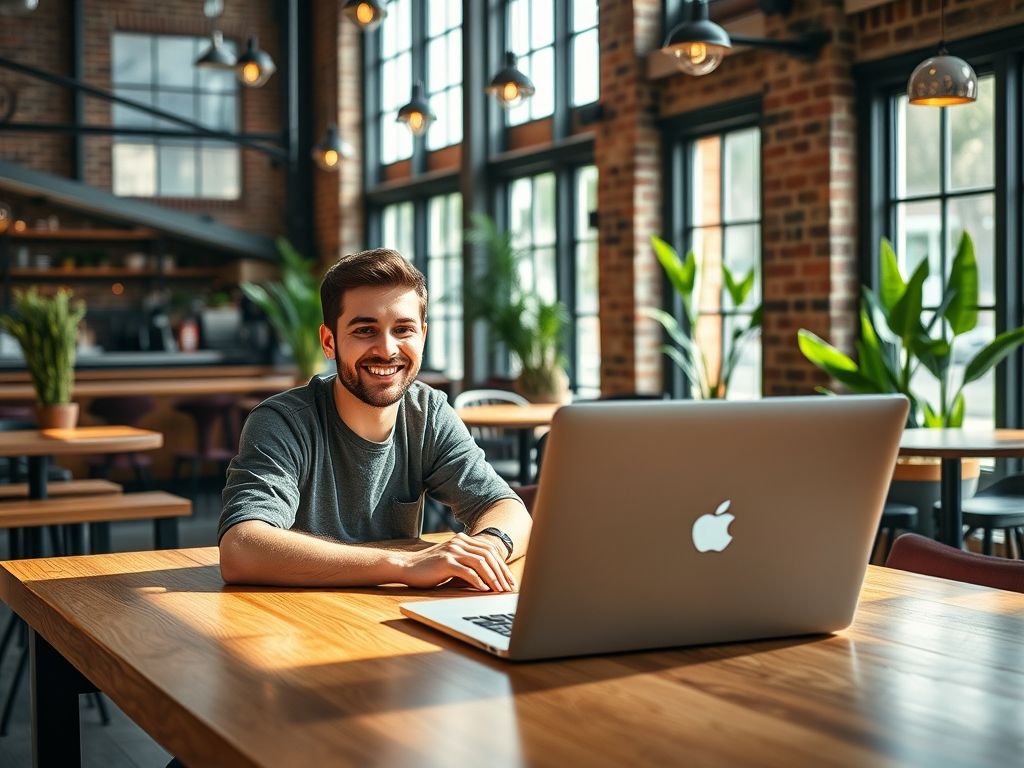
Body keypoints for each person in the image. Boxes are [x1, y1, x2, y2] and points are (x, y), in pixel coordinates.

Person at [218, 248, 532, 592]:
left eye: (403, 329)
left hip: (392, 619)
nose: (387, 349)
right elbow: (241, 547)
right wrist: (403, 564)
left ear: (422, 337)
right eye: (365, 330)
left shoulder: (428, 414)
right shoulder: (283, 422)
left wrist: (488, 547)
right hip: (293, 622)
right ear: (329, 341)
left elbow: (505, 507)